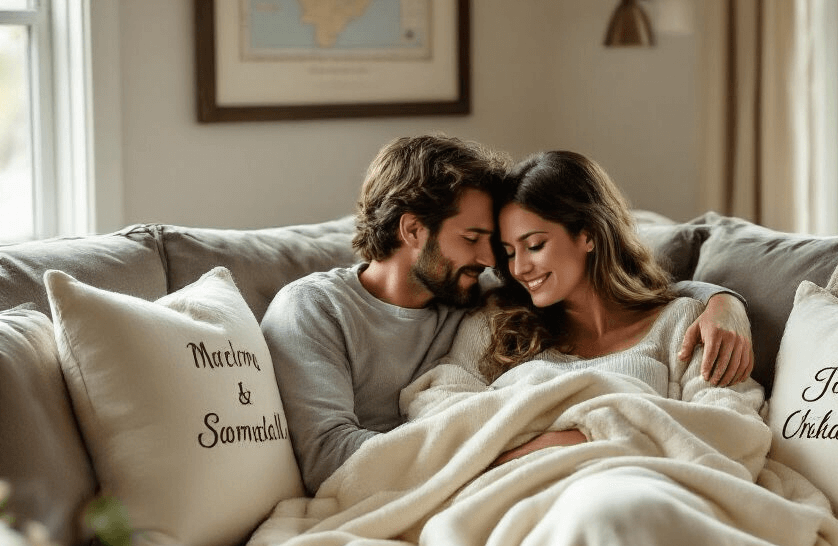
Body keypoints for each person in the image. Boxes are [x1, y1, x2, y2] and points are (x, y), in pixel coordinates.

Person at [262, 135, 754, 495]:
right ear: (412, 231)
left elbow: (628, 293)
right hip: (449, 487)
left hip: (591, 481)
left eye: (508, 246)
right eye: (474, 240)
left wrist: (723, 302)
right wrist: (532, 452)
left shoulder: (479, 294)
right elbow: (330, 462)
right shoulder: (315, 310)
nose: (497, 263)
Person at [401, 149, 761, 467]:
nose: (519, 268)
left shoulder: (683, 324)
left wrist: (579, 437)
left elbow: (731, 425)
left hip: (634, 485)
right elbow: (435, 406)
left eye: (535, 245)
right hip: (521, 490)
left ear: (588, 234)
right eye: (509, 253)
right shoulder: (498, 321)